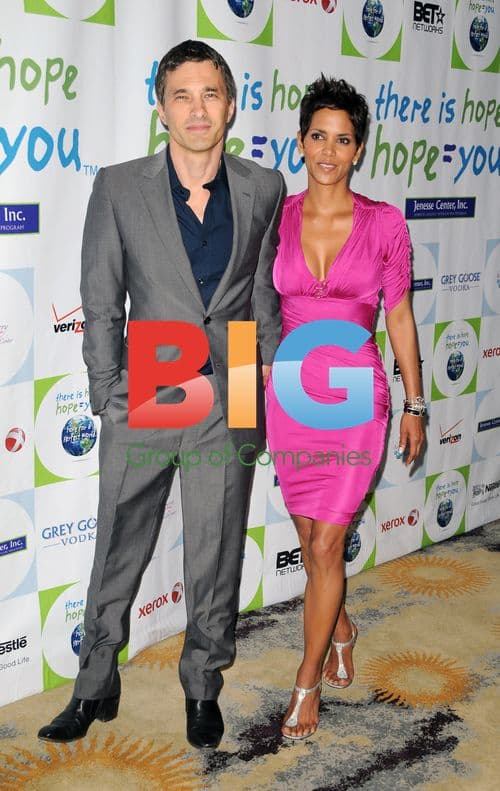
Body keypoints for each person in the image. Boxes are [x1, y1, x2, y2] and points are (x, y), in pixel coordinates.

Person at [38, 39, 285, 750]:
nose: (197, 108)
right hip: (151, 374)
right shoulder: (119, 186)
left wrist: (267, 373)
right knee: (118, 540)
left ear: (231, 105)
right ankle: (94, 684)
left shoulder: (264, 186)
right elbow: (100, 295)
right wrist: (109, 391)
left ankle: (203, 685)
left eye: (211, 93)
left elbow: (263, 292)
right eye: (182, 94)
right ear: (161, 108)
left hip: (234, 374)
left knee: (216, 550)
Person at [265, 75, 425, 740]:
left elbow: (402, 314)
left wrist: (416, 400)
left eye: (344, 139)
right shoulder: (275, 215)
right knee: (311, 547)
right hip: (293, 390)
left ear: (359, 149)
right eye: (318, 136)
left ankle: (306, 682)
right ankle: (342, 625)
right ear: (301, 141)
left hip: (358, 390)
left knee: (329, 540)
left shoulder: (385, 223)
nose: (329, 150)